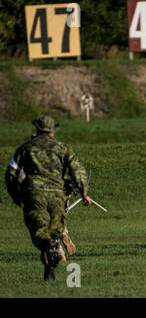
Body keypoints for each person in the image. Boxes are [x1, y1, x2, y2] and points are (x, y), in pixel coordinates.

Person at [5, 116, 91, 280]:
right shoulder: (63, 148)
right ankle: (50, 270)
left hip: (34, 195)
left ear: (36, 129)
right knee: (55, 231)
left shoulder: (25, 148)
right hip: (57, 196)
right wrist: (84, 193)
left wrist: (15, 195)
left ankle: (48, 248)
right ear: (53, 132)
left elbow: (11, 173)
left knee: (40, 232)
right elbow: (77, 171)